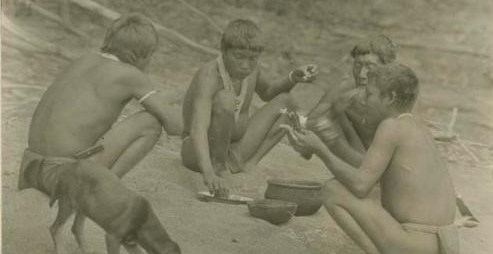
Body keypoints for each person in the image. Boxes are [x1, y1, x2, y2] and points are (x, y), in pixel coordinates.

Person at [286, 63, 462, 254]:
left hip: (415, 250)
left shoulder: (390, 127)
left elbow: (360, 185)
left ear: (389, 97)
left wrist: (320, 150)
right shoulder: (415, 127)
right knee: (364, 191)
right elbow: (367, 169)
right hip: (440, 250)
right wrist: (323, 141)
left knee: (332, 189)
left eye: (370, 94)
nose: (363, 99)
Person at [18, 13, 181, 197]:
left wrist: (174, 96)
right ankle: (104, 192)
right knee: (149, 122)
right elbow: (175, 126)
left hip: (31, 171)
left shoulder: (83, 61)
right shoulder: (130, 75)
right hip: (61, 175)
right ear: (144, 54)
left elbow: (157, 100)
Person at [181, 19, 318, 196]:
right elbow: (198, 128)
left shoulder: (252, 70)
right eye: (238, 57)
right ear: (223, 51)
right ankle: (219, 168)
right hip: (199, 152)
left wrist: (293, 77)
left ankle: (248, 164)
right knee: (226, 98)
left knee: (287, 101)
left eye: (252, 59)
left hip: (235, 149)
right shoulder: (209, 76)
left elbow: (268, 92)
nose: (245, 65)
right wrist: (208, 172)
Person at [304, 35, 397, 162]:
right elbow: (308, 123)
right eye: (357, 65)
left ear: (386, 68)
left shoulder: (393, 95)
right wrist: (335, 110)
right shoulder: (344, 87)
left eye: (370, 67)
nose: (361, 74)